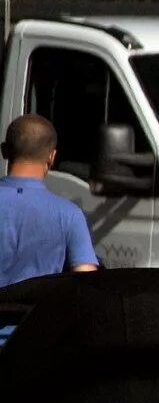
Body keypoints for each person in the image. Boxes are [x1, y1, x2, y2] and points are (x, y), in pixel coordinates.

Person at [0, 114, 99, 286]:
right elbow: (87, 283)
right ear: (52, 157)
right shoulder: (70, 215)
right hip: (39, 312)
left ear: (4, 151)